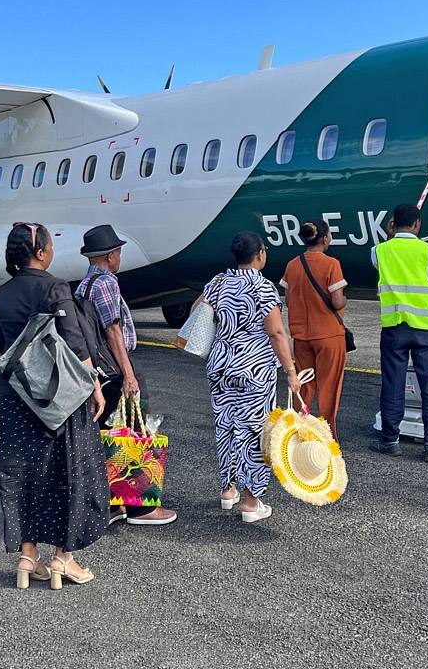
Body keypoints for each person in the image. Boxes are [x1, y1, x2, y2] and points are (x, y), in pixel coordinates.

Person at [0, 222, 110, 588]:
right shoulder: (55, 287)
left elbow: (3, 348)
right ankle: (64, 558)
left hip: (17, 396)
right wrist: (95, 386)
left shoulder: (1, 293)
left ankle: (28, 555)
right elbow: (74, 342)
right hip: (59, 399)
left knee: (24, 474)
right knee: (70, 472)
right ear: (41, 252)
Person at [76, 224, 178, 527]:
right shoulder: (106, 282)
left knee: (110, 437)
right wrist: (129, 375)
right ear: (110, 256)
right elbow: (112, 330)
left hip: (99, 372)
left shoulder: (84, 284)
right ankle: (141, 508)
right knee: (135, 434)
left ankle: (113, 503)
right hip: (116, 370)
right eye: (118, 252)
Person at [199, 231, 300, 523]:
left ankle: (227, 490)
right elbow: (276, 332)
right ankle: (251, 501)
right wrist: (290, 371)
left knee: (226, 426)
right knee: (255, 431)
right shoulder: (263, 288)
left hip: (220, 365)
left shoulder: (217, 282)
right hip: (253, 369)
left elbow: (198, 313)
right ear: (260, 254)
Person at [370, 204, 428, 463]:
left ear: (392, 224)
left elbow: (385, 258)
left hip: (394, 329)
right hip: (425, 331)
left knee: (393, 384)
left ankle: (390, 440)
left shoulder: (379, 251)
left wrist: (390, 237)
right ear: (417, 224)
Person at [280, 219, 349, 441]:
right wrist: (345, 299)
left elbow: (289, 300)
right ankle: (326, 435)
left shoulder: (292, 265)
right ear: (326, 238)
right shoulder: (332, 264)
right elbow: (337, 302)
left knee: (305, 385)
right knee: (329, 386)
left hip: (301, 335)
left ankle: (301, 431)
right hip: (329, 334)